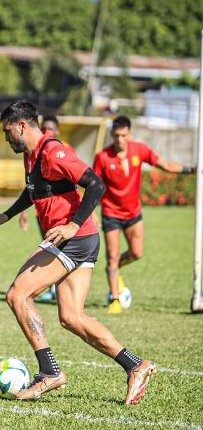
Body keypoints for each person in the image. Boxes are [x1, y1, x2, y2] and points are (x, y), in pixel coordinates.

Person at [0, 100, 156, 405]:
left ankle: (50, 372)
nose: (6, 137)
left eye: (8, 131)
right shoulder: (31, 155)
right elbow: (33, 189)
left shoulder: (53, 151)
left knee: (17, 295)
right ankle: (136, 365)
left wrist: (73, 225)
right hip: (81, 240)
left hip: (74, 239)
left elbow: (95, 184)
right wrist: (6, 215)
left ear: (22, 125)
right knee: (72, 317)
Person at [93, 115, 197, 314]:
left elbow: (164, 164)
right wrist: (91, 212)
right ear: (112, 135)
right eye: (116, 135)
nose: (119, 139)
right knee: (112, 255)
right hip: (111, 213)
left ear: (129, 134)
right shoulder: (103, 157)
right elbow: (94, 186)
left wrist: (191, 169)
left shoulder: (140, 150)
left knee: (137, 253)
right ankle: (115, 299)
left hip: (133, 212)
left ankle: (114, 269)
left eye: (123, 135)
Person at [18, 115, 61, 302]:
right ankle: (53, 288)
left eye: (51, 128)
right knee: (50, 246)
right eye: (46, 128)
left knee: (55, 249)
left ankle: (54, 287)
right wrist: (23, 211)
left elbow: (81, 182)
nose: (48, 131)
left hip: (64, 216)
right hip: (43, 211)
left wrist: (87, 214)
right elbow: (30, 185)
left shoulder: (60, 149)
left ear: (57, 131)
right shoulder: (30, 153)